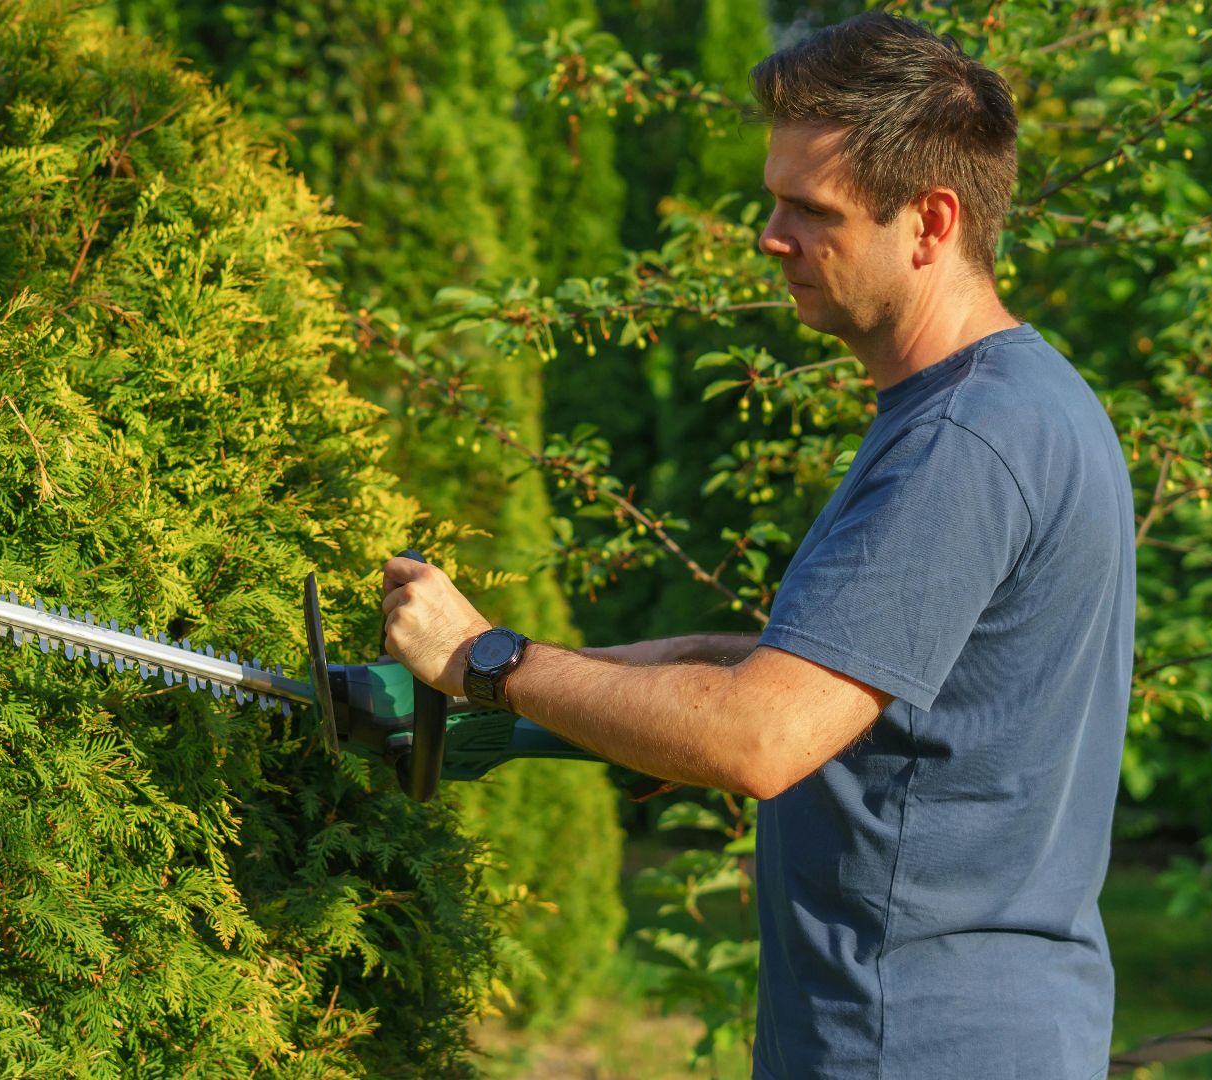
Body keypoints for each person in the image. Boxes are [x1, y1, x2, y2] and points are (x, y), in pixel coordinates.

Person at [381, 10, 1135, 1080]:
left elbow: (760, 737)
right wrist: (542, 694)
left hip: (909, 1041)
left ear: (930, 222)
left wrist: (486, 662)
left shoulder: (966, 443)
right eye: (771, 199)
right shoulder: (1020, 404)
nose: (770, 235)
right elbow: (796, 676)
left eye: (809, 209)